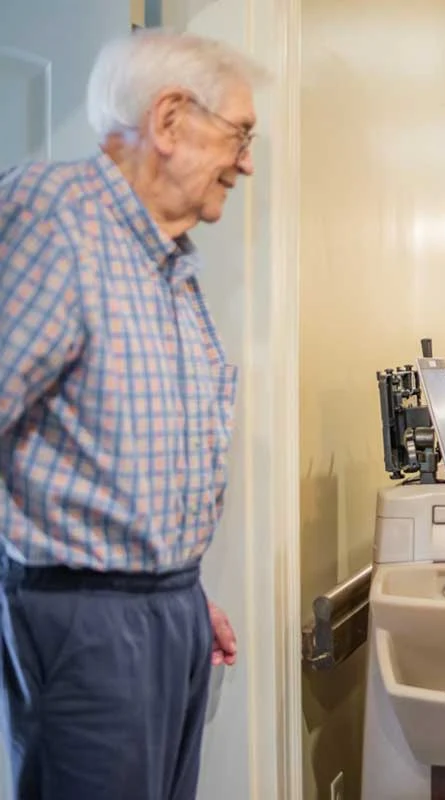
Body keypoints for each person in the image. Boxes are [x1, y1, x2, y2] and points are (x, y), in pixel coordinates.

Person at [0, 29, 265, 800]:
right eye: (240, 135)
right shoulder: (55, 220)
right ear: (170, 120)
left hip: (165, 607)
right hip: (86, 623)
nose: (246, 163)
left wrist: (179, 594)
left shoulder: (168, 263)